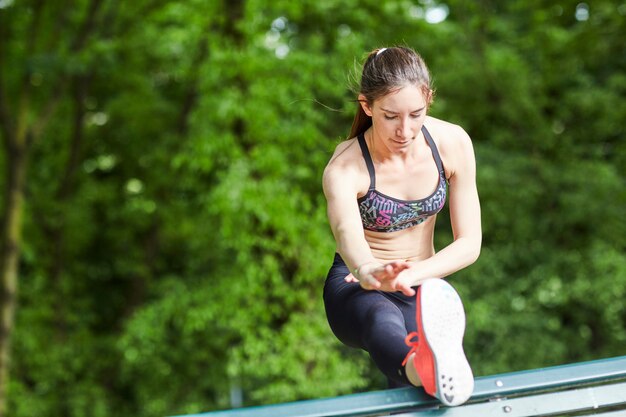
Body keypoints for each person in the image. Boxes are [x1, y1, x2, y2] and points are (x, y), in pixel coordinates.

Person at [322, 46, 481, 407]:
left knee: (419, 401)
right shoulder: (345, 168)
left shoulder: (453, 143)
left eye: (417, 114)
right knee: (382, 317)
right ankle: (419, 367)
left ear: (429, 98)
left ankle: (427, 373)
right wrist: (370, 270)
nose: (405, 130)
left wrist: (412, 275)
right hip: (358, 285)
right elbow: (348, 234)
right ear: (366, 106)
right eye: (391, 116)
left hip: (420, 286)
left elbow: (469, 243)